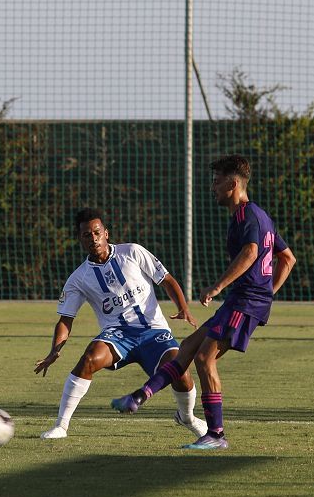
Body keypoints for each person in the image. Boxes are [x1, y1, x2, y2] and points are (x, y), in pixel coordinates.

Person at [111, 155, 297, 450]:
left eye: (217, 181)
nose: (212, 186)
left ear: (233, 184)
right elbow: (288, 258)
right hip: (245, 300)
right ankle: (138, 397)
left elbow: (250, 253)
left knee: (203, 358)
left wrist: (219, 286)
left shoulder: (247, 217)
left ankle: (216, 434)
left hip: (244, 302)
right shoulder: (259, 216)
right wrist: (268, 293)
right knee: (186, 349)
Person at [34, 207, 207, 440]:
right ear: (80, 240)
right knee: (89, 359)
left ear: (106, 233)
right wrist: (54, 350)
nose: (93, 239)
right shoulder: (78, 279)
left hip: (153, 331)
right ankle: (61, 426)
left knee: (180, 370)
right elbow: (66, 320)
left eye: (97, 233)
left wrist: (183, 308)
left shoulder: (133, 252)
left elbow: (165, 279)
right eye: (87, 235)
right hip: (117, 335)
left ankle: (187, 417)